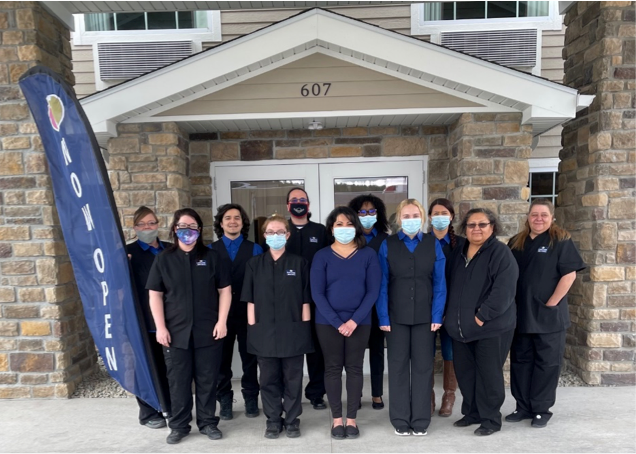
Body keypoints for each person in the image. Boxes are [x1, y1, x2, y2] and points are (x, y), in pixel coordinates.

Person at [146, 208, 232, 445]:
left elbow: (224, 291)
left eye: (192, 227)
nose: (187, 231)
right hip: (174, 333)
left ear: (199, 230)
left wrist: (222, 321)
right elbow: (155, 295)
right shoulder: (163, 259)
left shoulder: (213, 257)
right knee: (178, 381)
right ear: (175, 229)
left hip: (209, 331)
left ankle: (207, 422)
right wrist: (160, 327)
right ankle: (179, 425)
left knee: (207, 379)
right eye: (183, 226)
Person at [506, 199, 585, 428]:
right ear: (527, 218)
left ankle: (541, 409)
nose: (538, 219)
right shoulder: (516, 242)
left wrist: (551, 303)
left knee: (547, 363)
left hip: (548, 315)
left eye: (543, 215)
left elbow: (569, 275)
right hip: (521, 315)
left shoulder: (560, 241)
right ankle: (522, 406)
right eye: (534, 215)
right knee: (521, 361)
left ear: (552, 218)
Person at [445, 208, 518, 437]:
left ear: (492, 227)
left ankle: (490, 419)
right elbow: (448, 284)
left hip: (490, 327)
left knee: (488, 376)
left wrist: (482, 316)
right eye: (471, 225)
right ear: (464, 228)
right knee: (466, 374)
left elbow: (503, 291)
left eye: (482, 224)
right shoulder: (458, 252)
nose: (476, 228)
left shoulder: (500, 253)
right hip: (460, 328)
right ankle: (472, 413)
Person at [377, 199, 447, 437]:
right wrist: (383, 316)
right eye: (405, 216)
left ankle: (420, 420)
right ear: (399, 219)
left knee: (423, 368)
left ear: (422, 218)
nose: (410, 220)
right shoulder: (387, 245)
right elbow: (382, 283)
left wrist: (437, 315)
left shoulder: (432, 244)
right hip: (395, 318)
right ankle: (399, 419)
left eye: (415, 215)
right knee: (397, 368)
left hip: (426, 318)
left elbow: (439, 283)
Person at [311, 206, 382, 440]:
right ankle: (336, 420)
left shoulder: (368, 255)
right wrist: (336, 321)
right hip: (327, 323)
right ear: (331, 228)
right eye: (339, 224)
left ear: (357, 227)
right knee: (332, 369)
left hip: (359, 322)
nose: (344, 228)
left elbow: (373, 291)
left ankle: (351, 420)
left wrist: (353, 321)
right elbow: (317, 293)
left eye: (349, 224)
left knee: (354, 368)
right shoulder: (321, 256)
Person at [242, 214, 313, 439]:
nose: (275, 236)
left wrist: (304, 328)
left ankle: (292, 420)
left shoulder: (299, 263)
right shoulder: (254, 264)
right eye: (270, 232)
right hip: (263, 331)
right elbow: (250, 300)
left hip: (293, 330)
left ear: (287, 235)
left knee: (293, 378)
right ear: (264, 236)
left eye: (280, 232)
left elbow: (305, 300)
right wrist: (253, 327)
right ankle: (273, 420)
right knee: (268, 379)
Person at [209, 203, 263, 421]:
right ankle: (224, 399)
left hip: (248, 312)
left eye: (237, 218)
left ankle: (251, 398)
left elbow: (260, 284)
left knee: (250, 358)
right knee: (221, 360)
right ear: (221, 223)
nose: (233, 221)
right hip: (220, 316)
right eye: (228, 218)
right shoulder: (211, 250)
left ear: (243, 223)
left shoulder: (256, 249)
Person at [127, 206, 171, 429]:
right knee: (145, 368)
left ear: (158, 224)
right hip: (144, 322)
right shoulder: (128, 254)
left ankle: (171, 409)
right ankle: (149, 413)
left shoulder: (171, 250)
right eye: (142, 224)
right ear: (135, 228)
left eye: (151, 223)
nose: (147, 228)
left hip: (172, 321)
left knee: (170, 369)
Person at [284, 187, 329, 410]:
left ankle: (316, 393)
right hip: (286, 301)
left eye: (303, 199)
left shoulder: (320, 231)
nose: (298, 203)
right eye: (294, 200)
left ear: (308, 206)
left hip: (315, 299)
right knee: (289, 348)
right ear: (287, 206)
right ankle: (288, 393)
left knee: (316, 349)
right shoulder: (280, 231)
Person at [348, 194, 390, 410]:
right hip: (354, 305)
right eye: (361, 212)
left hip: (377, 305)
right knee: (354, 352)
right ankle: (356, 395)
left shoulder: (386, 239)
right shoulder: (348, 239)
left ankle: (376, 394)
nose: (366, 215)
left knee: (376, 349)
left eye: (371, 211)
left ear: (378, 214)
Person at [427, 198, 464, 417]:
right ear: (430, 217)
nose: (440, 216)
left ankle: (449, 395)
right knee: (427, 352)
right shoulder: (422, 242)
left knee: (450, 352)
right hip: (427, 307)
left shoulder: (461, 244)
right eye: (436, 213)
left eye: (445, 213)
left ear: (451, 217)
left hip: (453, 307)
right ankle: (428, 395)